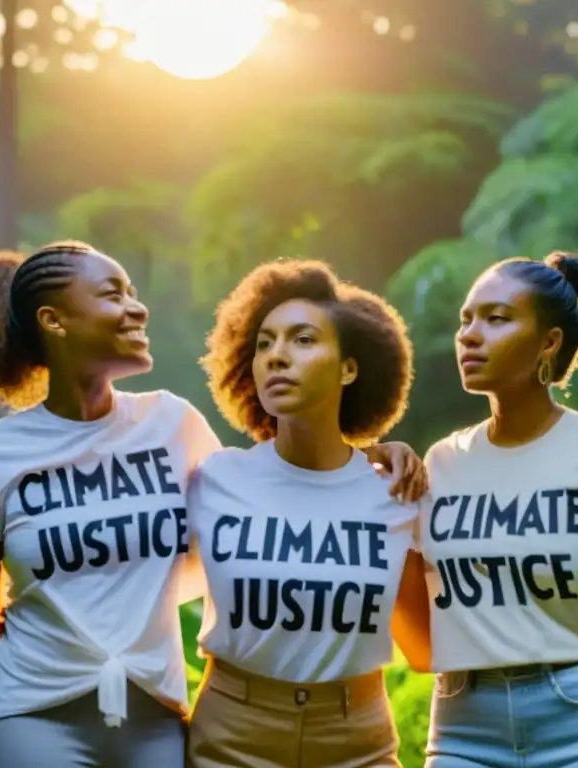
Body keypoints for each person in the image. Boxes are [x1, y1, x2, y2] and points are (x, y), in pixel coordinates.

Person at [0, 242, 425, 768]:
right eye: (114, 294)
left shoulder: (173, 425)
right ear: (54, 320)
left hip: (162, 715)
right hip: (50, 706)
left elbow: (282, 492)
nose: (138, 307)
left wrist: (366, 457)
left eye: (133, 291)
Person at [416, 252, 578, 768]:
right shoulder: (440, 462)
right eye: (466, 319)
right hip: (465, 724)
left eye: (496, 318)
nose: (469, 334)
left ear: (549, 342)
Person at [185, 259, 431, 768]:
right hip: (232, 733)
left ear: (350, 367)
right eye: (264, 343)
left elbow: (425, 650)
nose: (277, 357)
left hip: (355, 738)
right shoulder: (213, 480)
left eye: (302, 340)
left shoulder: (395, 490)